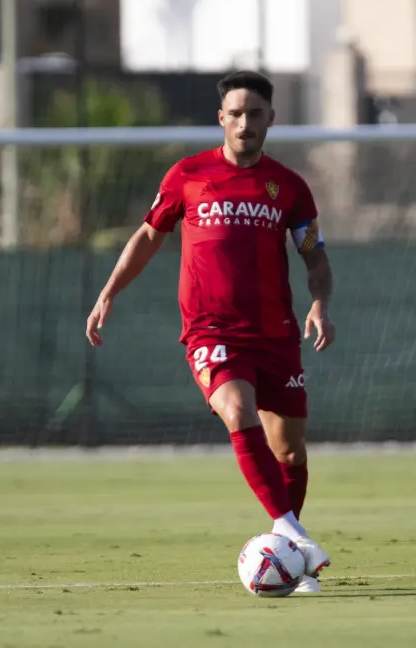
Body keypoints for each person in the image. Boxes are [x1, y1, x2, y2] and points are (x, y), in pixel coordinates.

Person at [85, 70, 335, 592]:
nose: (245, 123)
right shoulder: (188, 175)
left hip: (275, 333)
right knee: (237, 411)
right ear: (221, 118)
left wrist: (319, 302)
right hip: (211, 329)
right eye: (236, 113)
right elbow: (150, 235)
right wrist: (110, 291)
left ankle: (289, 553)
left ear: (271, 118)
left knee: (289, 449)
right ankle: (292, 533)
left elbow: (314, 255)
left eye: (255, 113)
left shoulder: (289, 187)